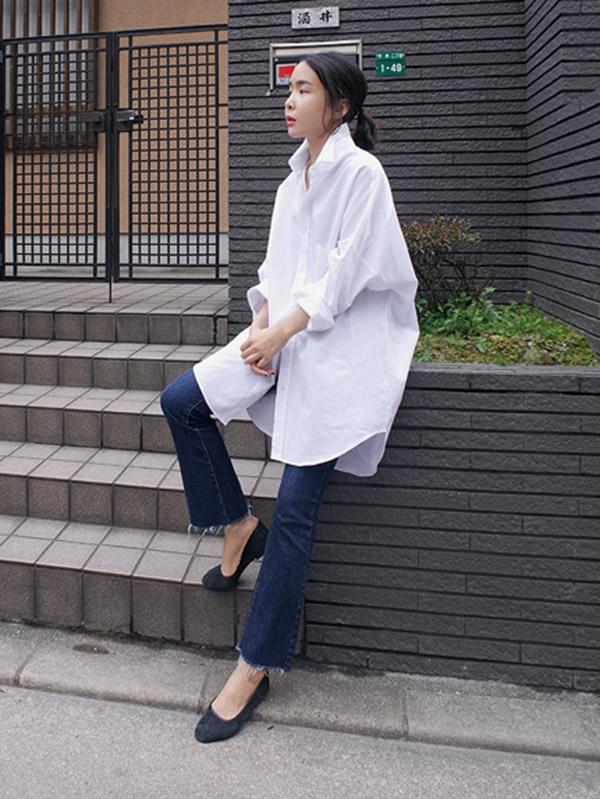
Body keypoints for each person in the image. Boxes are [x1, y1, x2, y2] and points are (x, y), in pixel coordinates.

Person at [160, 51, 420, 744]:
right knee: (183, 401)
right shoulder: (289, 183)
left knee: (298, 506)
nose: (289, 99)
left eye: (304, 89)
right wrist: (261, 324)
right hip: (285, 336)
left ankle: (255, 664)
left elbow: (344, 278)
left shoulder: (362, 176)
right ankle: (238, 525)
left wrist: (283, 331)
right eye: (289, 88)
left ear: (340, 105)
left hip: (341, 351)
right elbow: (277, 269)